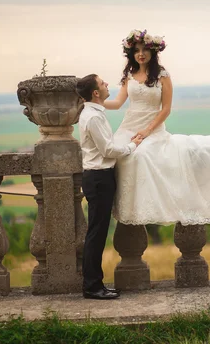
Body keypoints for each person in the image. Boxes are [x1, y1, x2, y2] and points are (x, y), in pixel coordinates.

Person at [103, 29, 210, 226]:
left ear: (153, 52)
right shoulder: (129, 75)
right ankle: (128, 209)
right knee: (119, 156)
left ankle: (153, 209)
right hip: (128, 127)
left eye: (144, 50)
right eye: (136, 50)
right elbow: (117, 103)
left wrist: (147, 131)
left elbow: (166, 109)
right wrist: (94, 102)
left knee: (142, 156)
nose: (140, 54)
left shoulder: (162, 75)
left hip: (153, 130)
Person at [76, 74, 143, 300]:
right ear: (96, 92)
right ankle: (92, 287)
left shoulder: (94, 113)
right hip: (98, 178)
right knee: (96, 234)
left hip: (100, 177)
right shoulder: (92, 117)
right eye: (103, 83)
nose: (107, 86)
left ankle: (95, 285)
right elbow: (107, 150)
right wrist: (132, 145)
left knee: (98, 232)